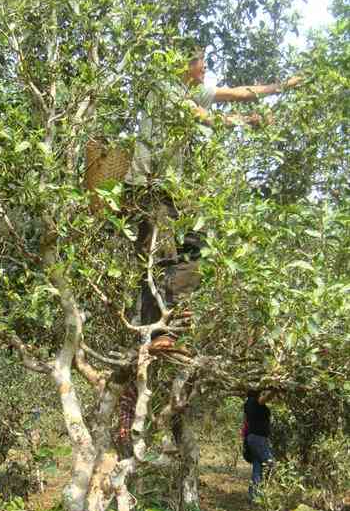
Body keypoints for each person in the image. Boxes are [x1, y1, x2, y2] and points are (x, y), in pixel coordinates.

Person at [125, 44, 301, 330]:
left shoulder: (192, 92)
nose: (205, 68)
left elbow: (238, 93)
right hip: (147, 186)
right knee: (159, 256)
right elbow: (203, 118)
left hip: (171, 188)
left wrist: (283, 86)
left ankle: (170, 322)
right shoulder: (165, 88)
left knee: (197, 244)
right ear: (185, 66)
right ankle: (155, 331)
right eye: (201, 63)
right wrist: (249, 121)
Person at [244, 389, 275, 501]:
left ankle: (253, 496)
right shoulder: (253, 402)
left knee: (258, 467)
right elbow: (264, 398)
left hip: (255, 438)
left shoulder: (248, 403)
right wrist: (273, 387)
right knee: (271, 464)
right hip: (258, 439)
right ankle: (265, 493)